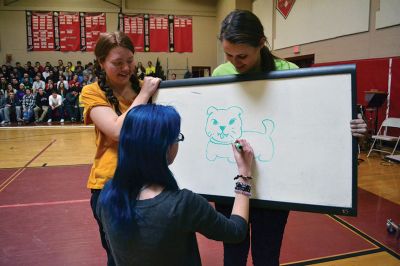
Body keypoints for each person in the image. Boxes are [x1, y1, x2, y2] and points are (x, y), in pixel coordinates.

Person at [212, 10, 368, 266]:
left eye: (242, 56)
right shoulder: (221, 74)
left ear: (261, 43)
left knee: (267, 256)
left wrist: (350, 129)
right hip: (231, 184)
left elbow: (312, 125)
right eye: (229, 55)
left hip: (276, 185)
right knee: (233, 255)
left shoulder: (289, 72)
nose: (235, 62)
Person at [96, 104, 254, 265]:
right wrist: (244, 174)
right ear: (166, 147)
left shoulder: (108, 193)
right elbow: (236, 231)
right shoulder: (182, 204)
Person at [80, 31, 161, 266]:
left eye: (130, 60)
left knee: (151, 254)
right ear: (101, 62)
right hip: (110, 187)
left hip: (148, 183)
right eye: (117, 63)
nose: (126, 68)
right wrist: (145, 94)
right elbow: (116, 131)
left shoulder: (145, 88)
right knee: (120, 258)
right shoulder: (92, 92)